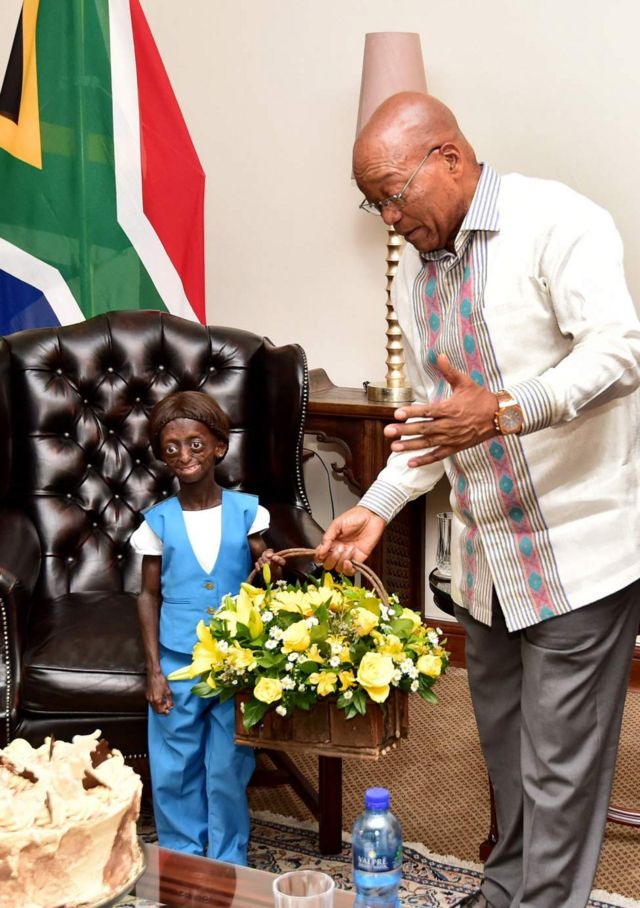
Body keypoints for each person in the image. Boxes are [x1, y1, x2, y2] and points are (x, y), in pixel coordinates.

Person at [316, 92, 640, 908]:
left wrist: (503, 408)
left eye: (394, 193)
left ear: (450, 159)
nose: (388, 218)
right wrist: (380, 504)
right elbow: (436, 423)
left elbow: (619, 352)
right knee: (508, 756)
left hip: (578, 554)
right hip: (485, 565)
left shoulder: (558, 222)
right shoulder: (423, 281)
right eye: (373, 202)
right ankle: (503, 894)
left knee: (560, 770)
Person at [131, 390, 283, 863]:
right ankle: (181, 855)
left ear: (219, 446)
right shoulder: (157, 522)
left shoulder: (247, 512)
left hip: (234, 663)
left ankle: (227, 857)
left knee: (228, 763)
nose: (184, 456)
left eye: (196, 444)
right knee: (175, 763)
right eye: (171, 447)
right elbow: (148, 595)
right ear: (160, 455)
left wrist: (271, 563)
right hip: (178, 662)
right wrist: (153, 670)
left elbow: (265, 571)